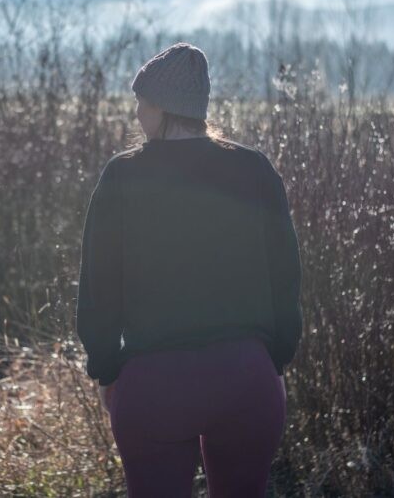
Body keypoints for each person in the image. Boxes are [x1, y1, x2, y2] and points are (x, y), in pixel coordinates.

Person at [75, 42, 303, 496]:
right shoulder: (255, 170)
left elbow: (99, 285)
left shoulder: (123, 176)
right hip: (247, 380)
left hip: (154, 385)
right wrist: (275, 359)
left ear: (163, 107)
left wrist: (106, 369)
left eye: (142, 102)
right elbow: (286, 275)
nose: (137, 114)